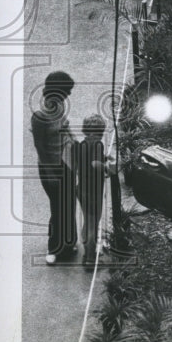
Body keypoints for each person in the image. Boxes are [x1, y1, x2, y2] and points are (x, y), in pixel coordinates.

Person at [30, 71, 77, 264]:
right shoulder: (39, 117)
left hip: (66, 162)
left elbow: (65, 128)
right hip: (50, 166)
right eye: (66, 91)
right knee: (58, 207)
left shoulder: (60, 106)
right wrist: (50, 174)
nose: (69, 96)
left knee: (69, 203)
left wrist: (75, 144)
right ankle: (54, 248)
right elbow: (40, 147)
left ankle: (69, 242)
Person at [76, 114, 113, 266]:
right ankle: (91, 258)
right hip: (94, 191)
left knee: (87, 221)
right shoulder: (98, 144)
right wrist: (107, 168)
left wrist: (104, 158)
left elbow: (85, 161)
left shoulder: (82, 144)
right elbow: (94, 164)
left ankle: (87, 252)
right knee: (93, 223)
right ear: (101, 130)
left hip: (82, 188)